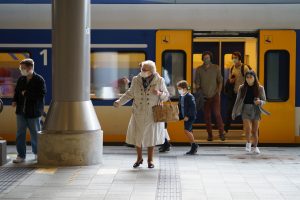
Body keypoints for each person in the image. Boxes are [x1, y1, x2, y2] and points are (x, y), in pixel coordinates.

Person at [113, 60, 169, 168]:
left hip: (152, 113)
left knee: (151, 137)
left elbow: (166, 96)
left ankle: (150, 160)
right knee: (137, 137)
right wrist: (119, 102)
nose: (142, 71)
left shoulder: (159, 80)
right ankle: (139, 158)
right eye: (142, 69)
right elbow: (129, 94)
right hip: (138, 112)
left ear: (151, 71)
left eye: (144, 70)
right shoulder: (136, 79)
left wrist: (159, 93)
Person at [12, 58, 46, 163]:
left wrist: (26, 94)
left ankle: (37, 153)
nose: (21, 70)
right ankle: (21, 155)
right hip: (21, 112)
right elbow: (17, 91)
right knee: (20, 134)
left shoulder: (39, 80)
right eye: (21, 68)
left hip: (34, 112)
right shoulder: (21, 79)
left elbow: (41, 95)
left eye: (23, 68)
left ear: (30, 68)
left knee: (35, 134)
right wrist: (14, 100)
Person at [232, 70, 268, 154]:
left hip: (256, 110)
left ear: (255, 78)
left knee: (255, 130)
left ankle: (255, 147)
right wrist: (234, 112)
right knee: (248, 129)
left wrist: (260, 102)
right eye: (247, 77)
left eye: (251, 77)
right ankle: (248, 143)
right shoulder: (242, 87)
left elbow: (264, 100)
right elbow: (237, 100)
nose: (249, 79)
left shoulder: (260, 88)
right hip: (245, 109)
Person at [194, 51, 225, 141]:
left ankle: (221, 133)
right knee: (207, 116)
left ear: (210, 58)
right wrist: (198, 91)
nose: (206, 59)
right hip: (204, 97)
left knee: (217, 114)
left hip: (215, 95)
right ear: (202, 59)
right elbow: (197, 82)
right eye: (204, 58)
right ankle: (210, 135)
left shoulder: (216, 68)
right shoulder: (199, 69)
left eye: (208, 57)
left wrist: (219, 91)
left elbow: (220, 80)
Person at [224, 52, 250, 133]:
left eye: (235, 58)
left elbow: (249, 79)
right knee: (230, 111)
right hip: (234, 93)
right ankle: (226, 130)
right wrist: (231, 81)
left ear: (239, 58)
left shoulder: (245, 68)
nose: (234, 59)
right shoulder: (232, 68)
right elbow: (229, 80)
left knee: (244, 112)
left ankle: (247, 130)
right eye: (233, 58)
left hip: (243, 94)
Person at [177, 80, 198, 155]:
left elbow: (192, 107)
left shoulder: (190, 96)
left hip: (190, 117)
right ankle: (193, 146)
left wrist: (188, 116)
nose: (178, 90)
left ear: (185, 88)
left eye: (179, 89)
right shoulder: (181, 96)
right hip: (185, 117)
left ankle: (194, 145)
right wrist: (179, 116)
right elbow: (180, 106)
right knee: (189, 131)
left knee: (186, 130)